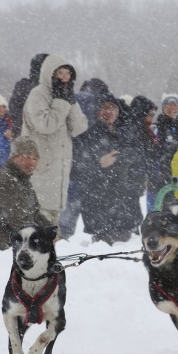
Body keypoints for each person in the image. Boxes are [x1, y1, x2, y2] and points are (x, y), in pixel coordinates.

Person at [21, 54, 88, 226]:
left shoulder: (65, 95)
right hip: (41, 171)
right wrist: (61, 102)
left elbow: (79, 127)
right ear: (49, 73)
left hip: (59, 174)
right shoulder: (38, 95)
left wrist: (70, 102)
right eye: (60, 72)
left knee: (50, 232)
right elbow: (46, 125)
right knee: (36, 229)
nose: (65, 77)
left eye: (68, 73)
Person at [76, 93, 138, 245]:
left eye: (112, 108)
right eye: (104, 108)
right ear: (98, 111)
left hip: (123, 207)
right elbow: (78, 170)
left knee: (124, 252)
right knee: (103, 254)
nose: (108, 111)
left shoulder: (124, 133)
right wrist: (99, 164)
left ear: (117, 113)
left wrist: (123, 158)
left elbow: (136, 157)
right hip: (99, 206)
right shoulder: (88, 135)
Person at [59, 78, 111, 239]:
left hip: (72, 166)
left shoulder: (72, 102)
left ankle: (60, 239)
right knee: (98, 222)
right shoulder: (95, 105)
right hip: (91, 170)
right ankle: (99, 240)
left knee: (66, 220)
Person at [0, 137, 51, 251]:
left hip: (18, 238)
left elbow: (35, 214)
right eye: (27, 157)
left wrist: (52, 230)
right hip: (0, 243)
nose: (32, 162)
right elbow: (17, 219)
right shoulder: (3, 180)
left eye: (35, 158)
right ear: (14, 158)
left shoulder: (23, 180)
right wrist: (42, 236)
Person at [124, 95, 158, 224]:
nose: (152, 117)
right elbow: (139, 156)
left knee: (135, 212)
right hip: (131, 179)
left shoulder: (143, 130)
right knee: (132, 212)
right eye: (150, 114)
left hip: (136, 178)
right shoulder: (134, 131)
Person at [152, 93, 178, 211]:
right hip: (162, 172)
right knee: (161, 206)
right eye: (168, 106)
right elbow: (154, 150)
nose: (172, 109)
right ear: (163, 108)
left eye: (175, 106)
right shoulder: (157, 127)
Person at [9, 53, 49, 139]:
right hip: (38, 137)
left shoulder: (22, 86)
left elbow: (13, 111)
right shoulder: (47, 89)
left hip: (24, 136)